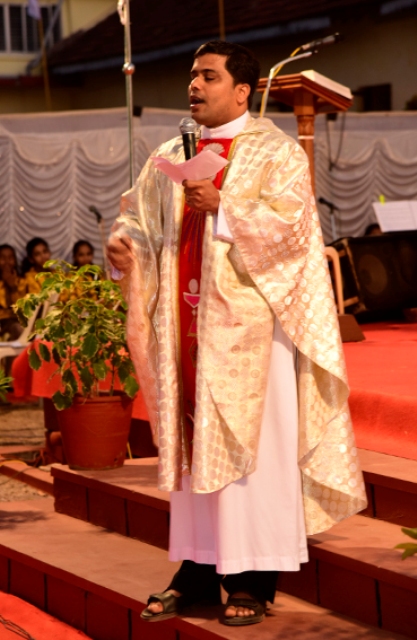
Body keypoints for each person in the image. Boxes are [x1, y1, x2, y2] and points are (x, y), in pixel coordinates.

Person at [107, 41, 366, 627]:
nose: (194, 86)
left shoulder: (276, 153)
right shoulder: (169, 154)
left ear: (242, 90)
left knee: (255, 457)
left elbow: (294, 231)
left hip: (252, 336)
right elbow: (137, 219)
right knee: (196, 453)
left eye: (208, 76)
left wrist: (224, 207)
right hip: (185, 328)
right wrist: (124, 246)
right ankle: (198, 570)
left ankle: (253, 577)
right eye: (192, 76)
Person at [0, 244, 27, 341]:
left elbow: (21, 309)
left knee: (19, 328)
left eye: (10, 258)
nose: (7, 262)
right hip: (2, 320)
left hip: (15, 320)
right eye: (2, 258)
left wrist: (13, 288)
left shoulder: (21, 282)